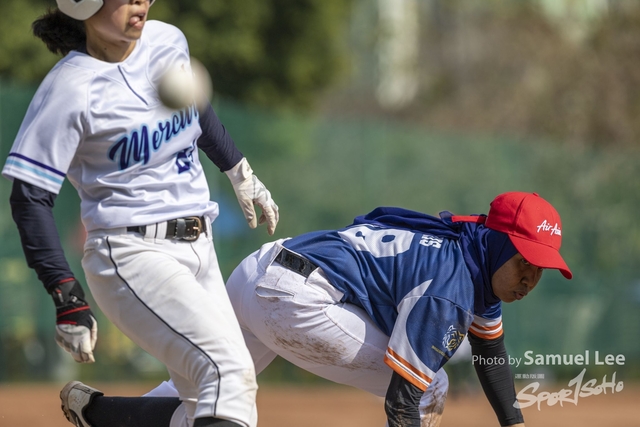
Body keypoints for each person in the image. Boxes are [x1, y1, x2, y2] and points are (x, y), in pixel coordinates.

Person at [59, 191, 572, 427]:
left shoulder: (467, 252)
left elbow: (490, 350)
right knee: (430, 387)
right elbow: (401, 403)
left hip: (262, 270)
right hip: (294, 300)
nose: (531, 278)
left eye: (541, 268)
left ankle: (97, 413)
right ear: (498, 246)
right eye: (525, 262)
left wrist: (513, 423)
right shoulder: (453, 286)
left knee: (208, 396)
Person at [2, 1, 279, 427]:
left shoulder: (167, 39)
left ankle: (101, 417)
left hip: (200, 247)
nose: (139, 1)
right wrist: (64, 292)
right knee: (228, 372)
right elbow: (29, 197)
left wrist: (239, 170)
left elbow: (195, 107)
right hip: (131, 255)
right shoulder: (69, 88)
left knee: (203, 402)